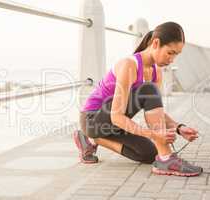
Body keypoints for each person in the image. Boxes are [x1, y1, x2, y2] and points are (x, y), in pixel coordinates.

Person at [73, 22, 203, 177]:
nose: (172, 59)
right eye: (170, 52)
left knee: (149, 154)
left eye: (176, 54)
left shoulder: (156, 71)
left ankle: (92, 139)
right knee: (148, 89)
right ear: (156, 43)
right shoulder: (130, 65)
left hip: (112, 123)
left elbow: (157, 113)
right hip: (93, 119)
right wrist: (153, 135)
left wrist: (179, 127)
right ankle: (167, 159)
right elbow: (116, 116)